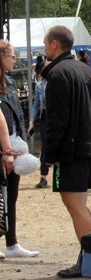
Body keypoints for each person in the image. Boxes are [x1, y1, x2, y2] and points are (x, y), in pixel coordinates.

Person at [41, 25, 91, 278]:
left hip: (71, 151)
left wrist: (49, 154)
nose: (44, 49)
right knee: (80, 205)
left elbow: (57, 120)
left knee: (75, 205)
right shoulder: (85, 69)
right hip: (88, 146)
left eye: (45, 44)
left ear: (55, 44)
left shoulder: (57, 74)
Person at [0, 40, 40, 259]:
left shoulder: (10, 83)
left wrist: (22, 145)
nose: (14, 60)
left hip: (14, 148)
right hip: (4, 149)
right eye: (12, 56)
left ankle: (12, 243)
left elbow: (19, 115)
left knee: (11, 196)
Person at [29, 57, 49, 189]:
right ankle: (44, 177)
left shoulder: (59, 82)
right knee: (45, 147)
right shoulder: (40, 86)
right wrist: (32, 121)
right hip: (45, 117)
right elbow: (36, 104)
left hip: (58, 117)